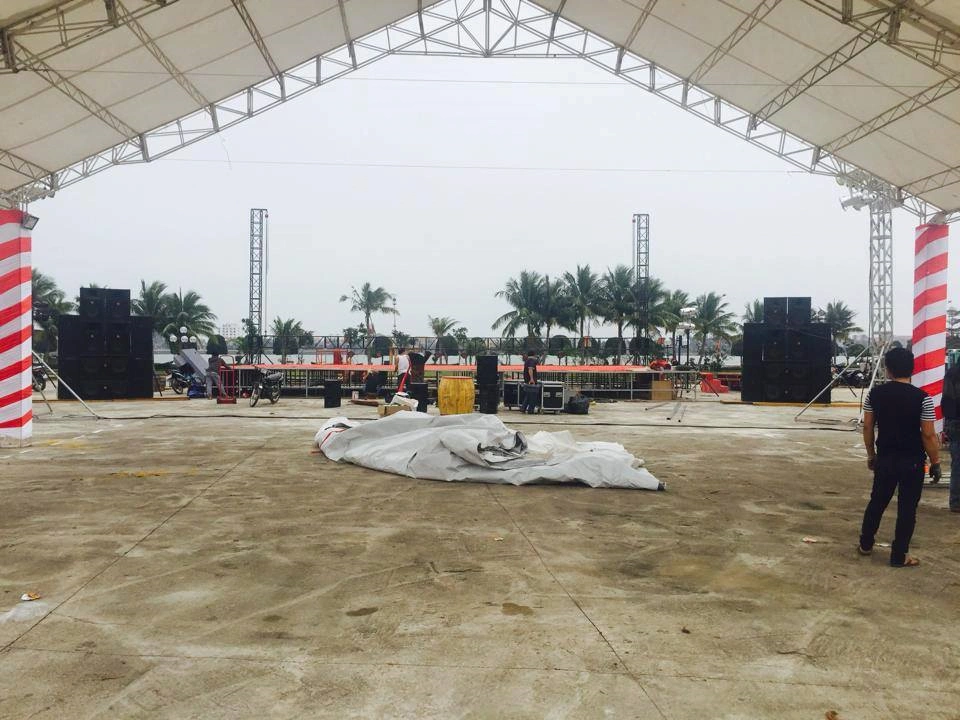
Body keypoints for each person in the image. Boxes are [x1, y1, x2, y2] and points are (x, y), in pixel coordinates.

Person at [859, 347, 941, 567]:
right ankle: (899, 556)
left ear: (888, 369)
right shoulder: (923, 399)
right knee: (907, 509)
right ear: (912, 369)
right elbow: (928, 435)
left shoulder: (874, 395)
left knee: (877, 501)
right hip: (912, 461)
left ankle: (865, 544)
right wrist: (935, 462)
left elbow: (868, 427)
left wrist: (871, 454)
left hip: (885, 458)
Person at [939, 359, 960, 513]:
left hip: (954, 422)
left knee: (957, 463)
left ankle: (956, 502)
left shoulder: (952, 373)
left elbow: (946, 400)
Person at [521, 350, 540, 414]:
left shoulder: (527, 361)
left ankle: (523, 408)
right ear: (534, 355)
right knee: (533, 396)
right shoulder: (532, 360)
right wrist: (532, 379)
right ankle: (530, 410)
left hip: (527, 380)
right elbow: (530, 369)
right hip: (531, 381)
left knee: (528, 395)